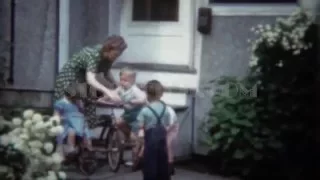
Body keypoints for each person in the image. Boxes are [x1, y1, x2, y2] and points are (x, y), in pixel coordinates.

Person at [53, 35, 127, 128]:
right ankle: (71, 133)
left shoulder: (108, 58)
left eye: (118, 55)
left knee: (92, 102)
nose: (116, 57)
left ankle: (88, 129)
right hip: (68, 82)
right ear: (109, 49)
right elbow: (91, 78)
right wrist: (108, 92)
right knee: (71, 113)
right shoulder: (93, 54)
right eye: (116, 54)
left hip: (82, 85)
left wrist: (116, 86)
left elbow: (106, 72)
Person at [98, 67, 146, 168]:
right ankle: (125, 139)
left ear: (132, 81)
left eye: (125, 80)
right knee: (118, 123)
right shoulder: (121, 88)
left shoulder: (134, 90)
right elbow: (112, 94)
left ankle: (135, 160)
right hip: (128, 114)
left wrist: (133, 101)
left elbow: (143, 99)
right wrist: (102, 99)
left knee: (135, 139)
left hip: (137, 116)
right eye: (121, 79)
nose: (122, 82)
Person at [136, 80, 171, 180]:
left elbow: (140, 130)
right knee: (163, 165)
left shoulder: (145, 110)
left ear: (147, 94)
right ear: (161, 94)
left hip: (150, 142)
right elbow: (167, 125)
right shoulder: (166, 109)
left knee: (150, 166)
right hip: (162, 141)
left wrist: (139, 146)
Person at [54, 88, 92, 155]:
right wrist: (61, 118)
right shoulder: (61, 103)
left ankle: (87, 146)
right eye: (75, 97)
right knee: (71, 130)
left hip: (78, 122)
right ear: (68, 96)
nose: (76, 98)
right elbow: (56, 115)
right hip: (67, 123)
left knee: (86, 130)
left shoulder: (76, 103)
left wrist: (80, 105)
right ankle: (70, 147)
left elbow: (82, 113)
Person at [166, 106, 179, 175]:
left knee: (168, 147)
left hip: (171, 128)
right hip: (165, 127)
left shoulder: (169, 110)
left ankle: (170, 168)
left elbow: (171, 123)